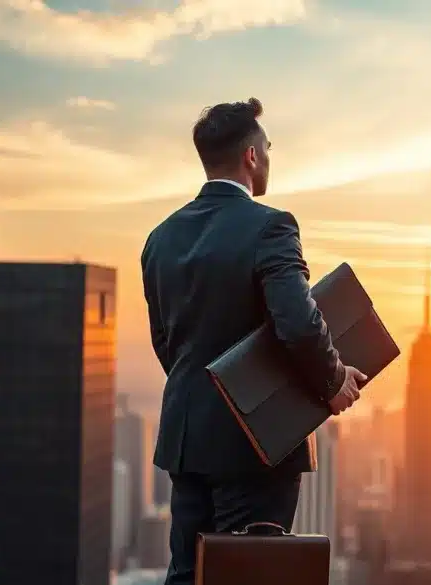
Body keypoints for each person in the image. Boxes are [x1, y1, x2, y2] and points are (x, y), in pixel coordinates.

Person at [141, 97, 367, 584]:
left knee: (188, 573)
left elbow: (166, 343)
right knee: (253, 575)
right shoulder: (271, 226)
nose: (269, 154)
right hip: (257, 442)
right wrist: (332, 379)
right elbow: (300, 323)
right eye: (267, 146)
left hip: (187, 438)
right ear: (251, 156)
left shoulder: (160, 238)